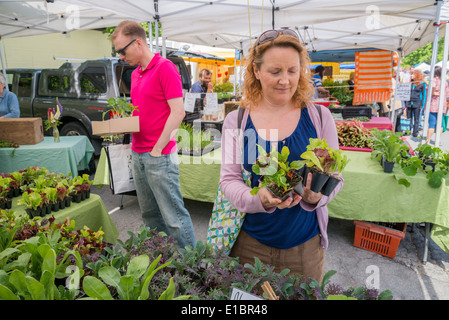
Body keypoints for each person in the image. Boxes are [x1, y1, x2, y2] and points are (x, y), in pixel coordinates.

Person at [220, 29, 343, 283]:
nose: (285, 80)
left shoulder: (319, 117)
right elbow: (229, 181)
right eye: (275, 72)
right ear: (256, 72)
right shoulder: (237, 120)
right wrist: (259, 199)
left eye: (292, 71)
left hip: (305, 249)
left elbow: (336, 177)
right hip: (249, 247)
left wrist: (317, 197)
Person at [110, 21, 195, 248]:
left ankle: (194, 266)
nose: (120, 56)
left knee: (174, 217)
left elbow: (178, 112)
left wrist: (157, 149)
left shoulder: (165, 67)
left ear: (138, 42)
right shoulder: (136, 74)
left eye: (122, 50)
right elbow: (143, 113)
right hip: (137, 153)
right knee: (150, 216)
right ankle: (165, 260)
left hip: (159, 155)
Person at [426, 66, 448, 144]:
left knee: (432, 123)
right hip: (442, 104)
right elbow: (447, 94)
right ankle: (437, 140)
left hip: (433, 104)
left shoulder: (434, 81)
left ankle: (427, 140)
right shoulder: (445, 82)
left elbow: (431, 88)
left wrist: (433, 93)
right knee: (440, 124)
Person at [404, 69, 426, 137]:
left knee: (416, 118)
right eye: (411, 74)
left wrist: (422, 105)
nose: (411, 75)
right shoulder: (410, 83)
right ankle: (408, 130)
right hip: (409, 102)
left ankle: (415, 132)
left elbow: (424, 95)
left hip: (417, 102)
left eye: (413, 74)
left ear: (417, 75)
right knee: (408, 117)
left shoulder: (422, 84)